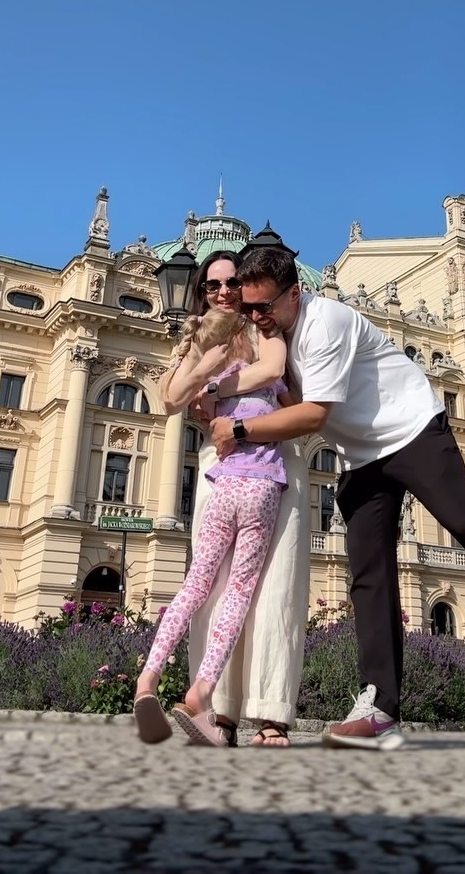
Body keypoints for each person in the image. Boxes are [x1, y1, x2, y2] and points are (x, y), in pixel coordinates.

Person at [211, 247, 465, 750]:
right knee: (368, 574)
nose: (255, 317)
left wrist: (241, 429)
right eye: (248, 308)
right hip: (360, 456)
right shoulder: (271, 334)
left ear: (296, 293)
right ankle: (380, 706)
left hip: (413, 431)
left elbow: (312, 415)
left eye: (264, 307)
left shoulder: (325, 322)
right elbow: (291, 400)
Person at [158, 251, 309, 748]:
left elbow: (273, 371)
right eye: (212, 284)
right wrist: (201, 369)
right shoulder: (200, 335)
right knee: (213, 589)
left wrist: (215, 387)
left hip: (275, 461)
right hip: (220, 463)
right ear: (201, 291)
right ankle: (217, 712)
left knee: (276, 589)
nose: (223, 292)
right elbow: (170, 397)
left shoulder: (263, 327)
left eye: (232, 283)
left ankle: (271, 714)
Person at [134, 306, 291, 746]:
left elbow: (192, 406)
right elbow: (294, 406)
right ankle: (201, 691)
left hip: (222, 489)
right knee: (238, 592)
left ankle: (148, 678)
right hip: (260, 490)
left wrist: (206, 375)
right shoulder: (266, 380)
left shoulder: (211, 391)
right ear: (244, 339)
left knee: (195, 587)